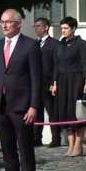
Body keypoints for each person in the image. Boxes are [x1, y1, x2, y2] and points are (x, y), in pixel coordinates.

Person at [0, 9, 41, 171]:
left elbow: (36, 78)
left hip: (22, 106)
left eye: (9, 22)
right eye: (2, 22)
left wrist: (34, 106)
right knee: (7, 149)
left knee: (25, 149)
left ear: (18, 24)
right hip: (1, 106)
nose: (4, 25)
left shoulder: (30, 46)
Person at [51, 16, 86, 157]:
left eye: (66, 28)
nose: (63, 31)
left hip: (76, 80)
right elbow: (56, 65)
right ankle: (70, 144)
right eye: (62, 28)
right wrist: (54, 83)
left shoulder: (82, 44)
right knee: (65, 112)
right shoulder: (59, 45)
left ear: (73, 28)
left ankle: (78, 145)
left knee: (77, 113)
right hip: (62, 81)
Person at [32, 17, 60, 148]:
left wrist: (54, 82)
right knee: (37, 112)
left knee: (52, 112)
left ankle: (56, 138)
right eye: (35, 26)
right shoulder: (34, 44)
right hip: (36, 84)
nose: (36, 29)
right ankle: (37, 138)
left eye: (38, 26)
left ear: (46, 27)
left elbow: (56, 65)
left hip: (48, 83)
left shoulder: (54, 44)